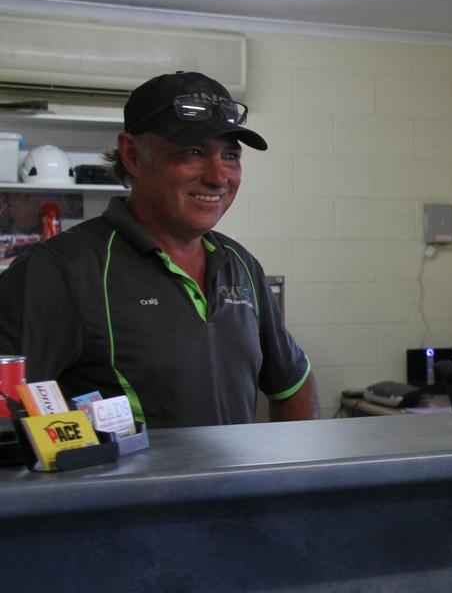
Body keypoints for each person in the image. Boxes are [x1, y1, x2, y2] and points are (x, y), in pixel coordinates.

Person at [0, 71, 317, 428]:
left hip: (236, 486)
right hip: (127, 487)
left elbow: (293, 382)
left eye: (230, 156)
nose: (218, 177)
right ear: (133, 155)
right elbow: (6, 412)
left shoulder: (241, 266)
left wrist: (296, 478)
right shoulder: (58, 270)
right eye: (193, 152)